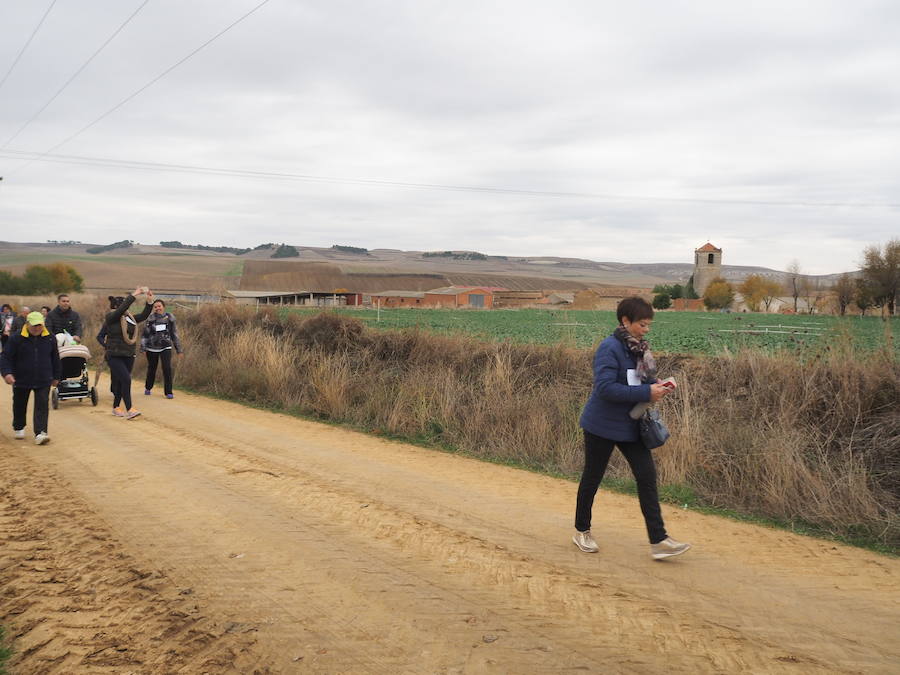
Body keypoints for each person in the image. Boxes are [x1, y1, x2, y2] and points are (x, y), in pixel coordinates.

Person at [573, 296, 691, 560]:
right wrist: (644, 391)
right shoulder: (609, 348)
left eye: (648, 325)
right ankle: (582, 530)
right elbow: (605, 389)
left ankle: (659, 541)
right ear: (625, 321)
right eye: (642, 324)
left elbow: (639, 380)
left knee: (647, 477)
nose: (646, 329)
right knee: (593, 478)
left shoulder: (639, 349)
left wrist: (655, 386)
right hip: (601, 425)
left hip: (632, 424)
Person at [1, 311, 60, 445]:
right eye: (34, 325)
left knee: (42, 405)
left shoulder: (50, 338)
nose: (37, 328)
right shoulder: (16, 338)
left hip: (43, 378)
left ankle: (40, 432)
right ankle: (19, 426)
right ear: (27, 324)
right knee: (19, 403)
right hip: (21, 378)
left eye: (39, 325)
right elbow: (5, 357)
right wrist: (7, 373)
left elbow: (55, 358)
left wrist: (56, 376)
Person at [104, 287, 153, 419]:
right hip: (114, 355)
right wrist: (134, 295)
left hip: (128, 354)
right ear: (116, 307)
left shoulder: (129, 319)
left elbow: (143, 316)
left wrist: (149, 302)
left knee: (121, 382)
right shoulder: (111, 317)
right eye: (123, 305)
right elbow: (120, 310)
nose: (126, 309)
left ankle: (116, 407)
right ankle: (130, 408)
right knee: (126, 379)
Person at [141, 298, 182, 398]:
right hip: (151, 348)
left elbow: (174, 334)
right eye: (155, 307)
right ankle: (148, 387)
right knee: (152, 368)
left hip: (166, 347)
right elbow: (145, 335)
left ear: (163, 307)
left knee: (167, 368)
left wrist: (178, 349)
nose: (157, 308)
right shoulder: (150, 319)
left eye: (159, 306)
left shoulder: (170, 317)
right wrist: (143, 348)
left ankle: (168, 392)